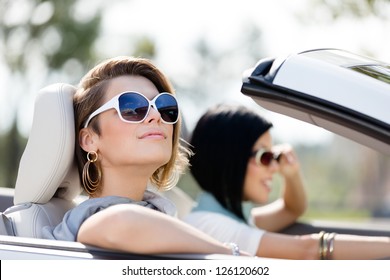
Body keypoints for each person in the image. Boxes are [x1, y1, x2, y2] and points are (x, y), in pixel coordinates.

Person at [42, 56, 247, 257]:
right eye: (132, 108)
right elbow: (120, 222)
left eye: (164, 107)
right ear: (89, 140)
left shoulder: (160, 214)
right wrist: (230, 255)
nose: (156, 115)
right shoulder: (88, 218)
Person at [184, 104, 390, 260]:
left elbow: (292, 209)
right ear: (230, 159)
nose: (274, 167)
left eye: (274, 156)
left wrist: (291, 174)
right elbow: (306, 249)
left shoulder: (230, 217)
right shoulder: (211, 225)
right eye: (264, 157)